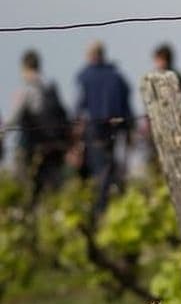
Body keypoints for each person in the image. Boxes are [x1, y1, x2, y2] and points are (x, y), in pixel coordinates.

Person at [76, 41, 133, 215]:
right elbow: (126, 104)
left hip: (94, 129)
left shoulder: (86, 76)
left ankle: (99, 210)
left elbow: (80, 105)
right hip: (114, 128)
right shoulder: (116, 76)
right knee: (110, 166)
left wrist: (76, 127)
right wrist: (129, 127)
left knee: (97, 169)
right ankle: (109, 204)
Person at [9, 49, 69, 197]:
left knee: (27, 190)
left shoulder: (26, 90)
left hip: (29, 148)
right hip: (51, 147)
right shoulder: (49, 88)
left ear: (24, 67)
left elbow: (13, 119)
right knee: (50, 190)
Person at [152, 44, 181, 120]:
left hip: (178, 121)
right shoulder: (152, 80)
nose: (157, 63)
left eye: (159, 59)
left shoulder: (178, 79)